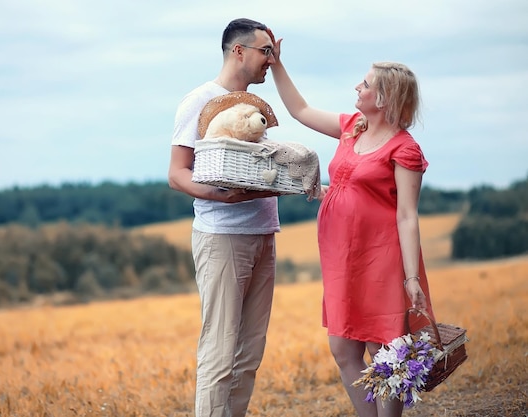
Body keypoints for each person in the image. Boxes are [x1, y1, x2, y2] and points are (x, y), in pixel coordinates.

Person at [269, 34, 435, 417]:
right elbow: (301, 109)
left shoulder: (404, 148)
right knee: (343, 348)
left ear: (385, 97)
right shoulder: (352, 127)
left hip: (381, 257)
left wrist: (412, 278)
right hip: (342, 256)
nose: (356, 88)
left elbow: (407, 215)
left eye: (365, 84)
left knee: (383, 351)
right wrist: (277, 64)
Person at [168, 18, 282, 417]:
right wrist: (223, 197)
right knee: (219, 351)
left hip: (264, 232)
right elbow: (177, 173)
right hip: (223, 237)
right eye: (265, 51)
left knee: (249, 353)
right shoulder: (199, 100)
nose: (271, 59)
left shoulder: (255, 107)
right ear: (239, 51)